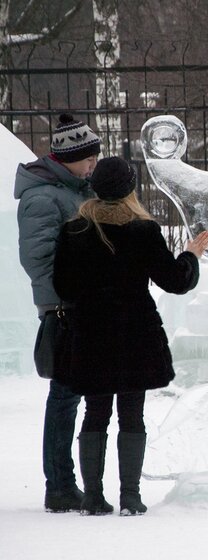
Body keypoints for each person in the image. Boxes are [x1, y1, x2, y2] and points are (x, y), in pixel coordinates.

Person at [52, 156, 208, 516]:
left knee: (95, 412)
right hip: (134, 335)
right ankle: (130, 496)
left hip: (91, 334)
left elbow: (63, 286)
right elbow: (175, 280)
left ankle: (93, 497)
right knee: (132, 413)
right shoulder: (143, 230)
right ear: (130, 189)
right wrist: (190, 255)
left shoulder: (74, 230)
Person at [14, 113, 101, 513]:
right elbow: (38, 259)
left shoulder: (74, 190)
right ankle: (60, 485)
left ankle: (65, 483)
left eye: (95, 157)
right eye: (88, 158)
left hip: (80, 305)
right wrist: (71, 295)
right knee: (64, 397)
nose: (93, 164)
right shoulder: (43, 198)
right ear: (67, 159)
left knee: (71, 395)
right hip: (64, 308)